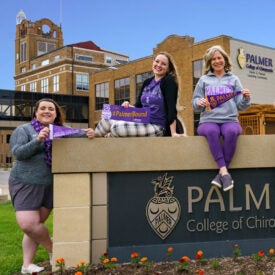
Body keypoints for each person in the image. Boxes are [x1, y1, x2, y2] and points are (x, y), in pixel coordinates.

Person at [8, 98, 94, 274]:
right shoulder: (24, 130)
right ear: (36, 112)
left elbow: (80, 134)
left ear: (56, 114)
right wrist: (37, 140)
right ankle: (54, 250)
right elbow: (18, 153)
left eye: (51, 109)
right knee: (28, 225)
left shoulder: (61, 132)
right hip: (25, 183)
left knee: (36, 226)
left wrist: (90, 133)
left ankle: (26, 265)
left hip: (49, 185)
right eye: (43, 108)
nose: (47, 111)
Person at [192, 45, 251, 192]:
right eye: (213, 59)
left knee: (231, 132)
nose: (217, 61)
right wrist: (199, 102)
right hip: (208, 121)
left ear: (224, 59)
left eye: (219, 58)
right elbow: (195, 104)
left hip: (230, 119)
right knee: (212, 131)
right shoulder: (203, 80)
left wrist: (246, 98)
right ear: (209, 62)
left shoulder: (234, 79)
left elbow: (241, 106)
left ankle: (221, 174)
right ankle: (225, 172)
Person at [95, 51, 186, 137]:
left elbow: (171, 109)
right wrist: (128, 105)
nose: (159, 65)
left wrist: (174, 133)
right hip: (142, 121)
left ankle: (110, 136)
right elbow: (138, 107)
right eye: (157, 61)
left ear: (168, 68)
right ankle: (93, 136)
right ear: (153, 62)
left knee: (116, 127)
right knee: (106, 120)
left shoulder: (168, 82)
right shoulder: (147, 82)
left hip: (157, 126)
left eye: (163, 64)